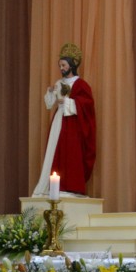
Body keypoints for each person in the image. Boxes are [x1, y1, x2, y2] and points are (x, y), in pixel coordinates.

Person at [33, 43, 97, 197]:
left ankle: (71, 186)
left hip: (73, 124)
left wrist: (68, 102)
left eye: (64, 65)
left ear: (72, 65)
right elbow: (50, 104)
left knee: (71, 153)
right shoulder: (59, 83)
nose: (61, 68)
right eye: (60, 65)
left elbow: (87, 105)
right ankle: (53, 187)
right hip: (59, 121)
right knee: (55, 151)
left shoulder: (81, 84)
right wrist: (50, 93)